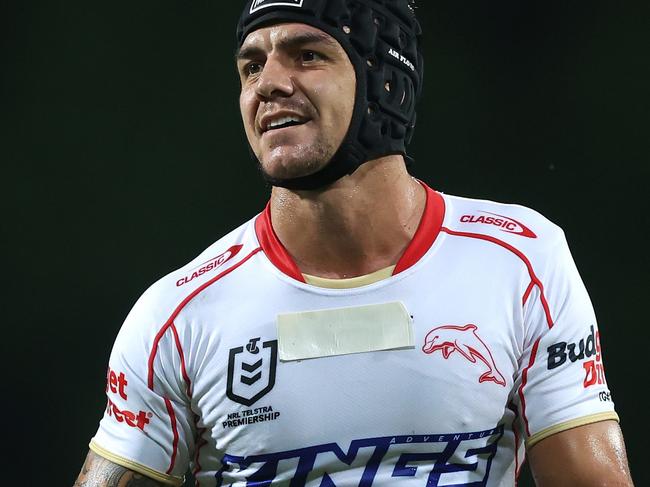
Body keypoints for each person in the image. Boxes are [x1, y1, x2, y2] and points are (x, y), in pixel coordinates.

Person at [74, 0, 634, 486]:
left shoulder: (522, 262)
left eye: (306, 54)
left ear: (385, 80)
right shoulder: (175, 318)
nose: (267, 84)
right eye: (251, 66)